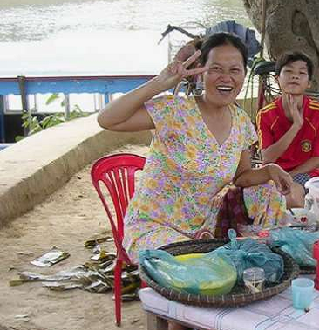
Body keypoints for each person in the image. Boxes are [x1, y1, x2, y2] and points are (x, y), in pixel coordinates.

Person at [97, 32, 294, 263]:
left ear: (243, 74)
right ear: (201, 71)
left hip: (206, 226)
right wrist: (159, 83)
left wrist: (270, 170)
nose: (226, 78)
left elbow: (241, 177)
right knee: (197, 266)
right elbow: (108, 119)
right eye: (216, 69)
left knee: (269, 198)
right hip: (154, 227)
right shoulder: (175, 111)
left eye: (234, 70)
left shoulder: (241, 123)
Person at [256, 51, 319, 206]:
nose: (295, 76)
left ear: (309, 82)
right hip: (274, 173)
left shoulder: (318, 112)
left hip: (305, 173)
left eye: (301, 73)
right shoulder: (265, 115)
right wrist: (296, 127)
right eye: (289, 71)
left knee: (293, 195)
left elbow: (318, 158)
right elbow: (267, 158)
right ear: (277, 79)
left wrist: (292, 174)